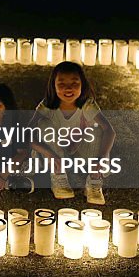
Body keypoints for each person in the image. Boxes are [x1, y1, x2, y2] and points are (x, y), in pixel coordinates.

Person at [29, 61, 116, 204]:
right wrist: (49, 155)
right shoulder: (48, 105)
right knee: (43, 124)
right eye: (62, 84)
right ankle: (58, 177)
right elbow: (26, 134)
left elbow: (109, 130)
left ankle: (94, 181)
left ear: (83, 84)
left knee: (97, 130)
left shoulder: (86, 105)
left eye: (74, 83)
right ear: (53, 86)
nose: (68, 89)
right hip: (52, 152)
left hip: (78, 152)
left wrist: (102, 156)